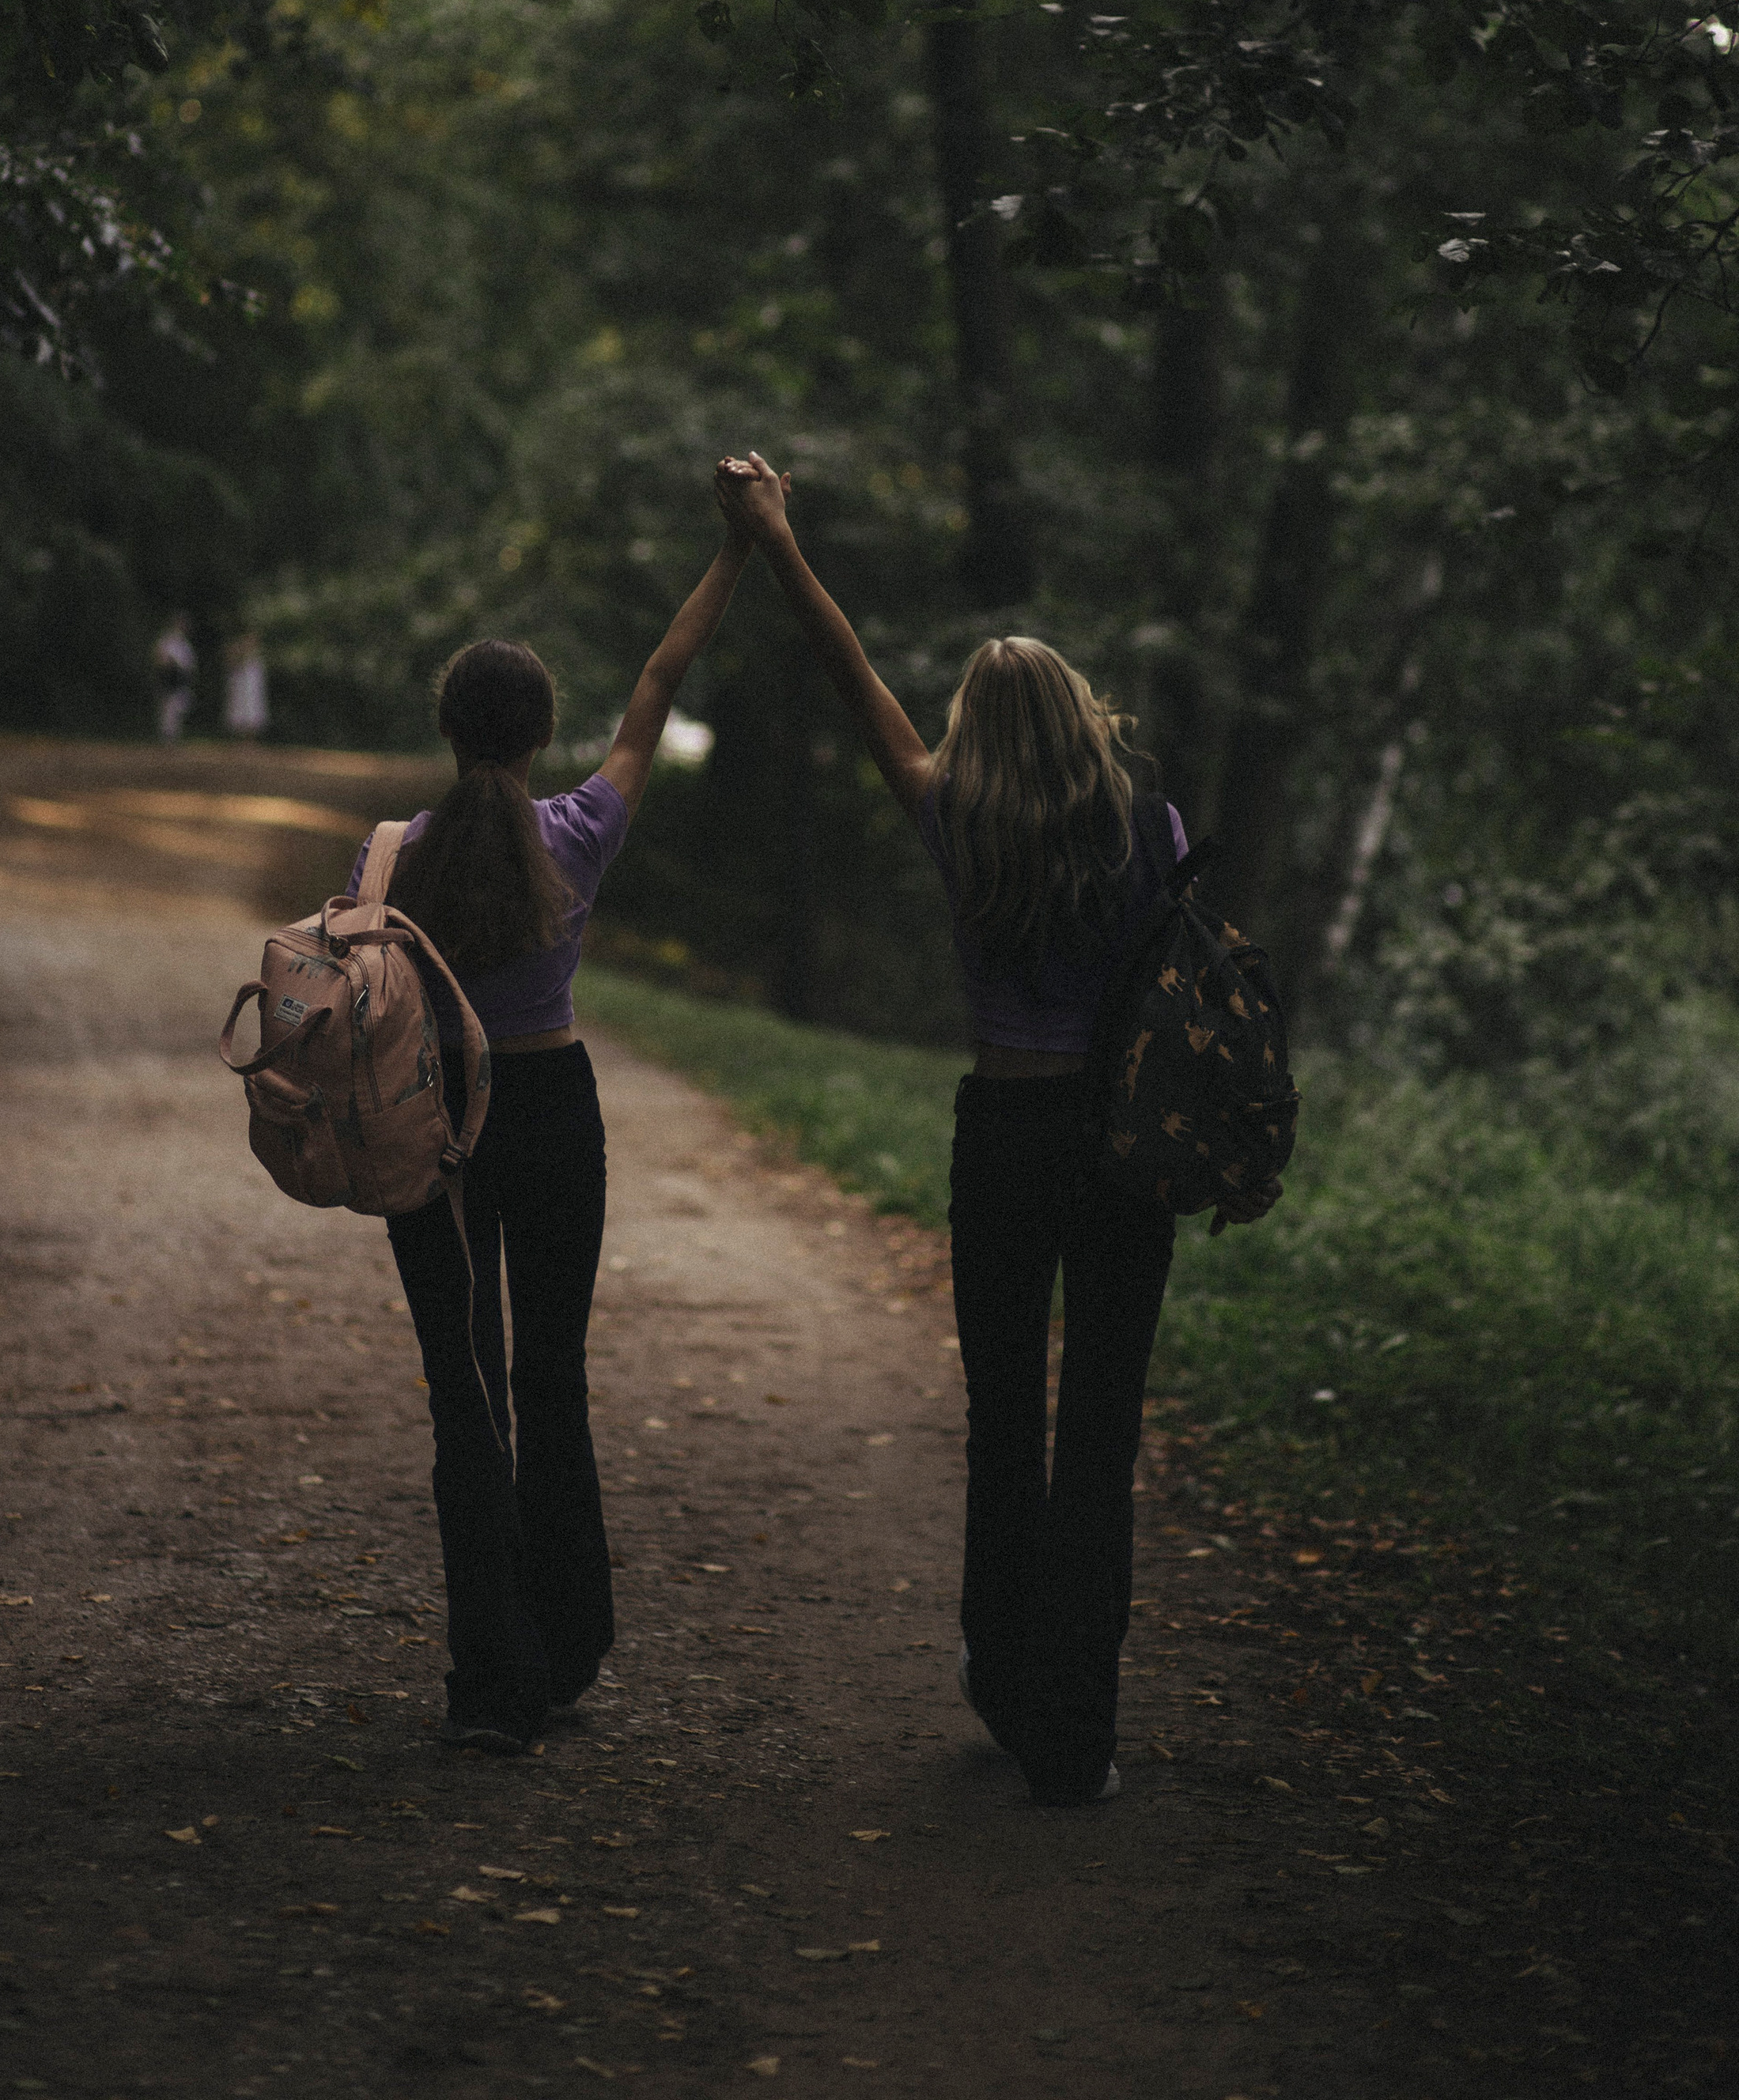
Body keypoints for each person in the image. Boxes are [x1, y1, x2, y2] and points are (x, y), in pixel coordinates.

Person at [711, 449, 1265, 1811]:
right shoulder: (1155, 827)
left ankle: (1008, 1683)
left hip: (1005, 1140)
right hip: (1123, 1149)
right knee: (1104, 1430)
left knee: (1006, 1418)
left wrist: (778, 540)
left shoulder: (952, 817)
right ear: (1082, 718)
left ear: (977, 723)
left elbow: (857, 685)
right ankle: (1079, 1727)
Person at [351, 520, 754, 1754]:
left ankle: (491, 1683)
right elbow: (656, 689)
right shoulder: (576, 832)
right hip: (553, 1114)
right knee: (554, 1381)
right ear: (532, 737)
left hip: (440, 1132)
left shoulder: (392, 859)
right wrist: (735, 554)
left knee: (464, 1399)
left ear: (447, 730)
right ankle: (567, 1643)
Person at [152, 614, 196, 743]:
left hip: (181, 679)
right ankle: (167, 738)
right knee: (167, 708)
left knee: (179, 706)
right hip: (168, 678)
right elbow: (159, 658)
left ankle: (173, 736)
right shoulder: (167, 640)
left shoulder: (184, 644)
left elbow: (189, 664)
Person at [223, 632, 270, 742]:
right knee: (239, 712)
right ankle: (239, 741)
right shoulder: (239, 656)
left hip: (253, 691)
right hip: (241, 689)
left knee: (253, 712)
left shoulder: (257, 658)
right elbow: (231, 666)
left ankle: (250, 741)